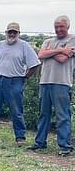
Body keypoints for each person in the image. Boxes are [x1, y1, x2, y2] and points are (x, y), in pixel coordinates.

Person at [0, 22, 40, 145]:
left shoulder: (24, 46)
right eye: (9, 32)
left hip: (14, 80)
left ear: (18, 33)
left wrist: (25, 77)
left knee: (16, 110)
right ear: (6, 32)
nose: (12, 34)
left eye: (14, 32)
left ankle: (20, 137)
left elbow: (35, 64)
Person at [27, 15, 75, 156]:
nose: (58, 29)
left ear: (68, 26)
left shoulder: (72, 39)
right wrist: (60, 49)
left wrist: (50, 52)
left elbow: (62, 59)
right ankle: (40, 143)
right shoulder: (48, 40)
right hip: (45, 82)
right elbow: (41, 54)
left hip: (62, 82)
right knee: (43, 114)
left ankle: (65, 146)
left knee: (62, 115)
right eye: (56, 27)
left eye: (61, 27)